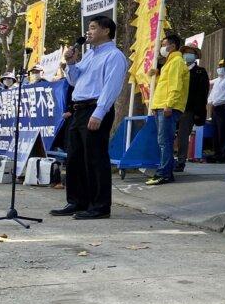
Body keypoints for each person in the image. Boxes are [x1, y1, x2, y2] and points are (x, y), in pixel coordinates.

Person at [50, 15, 128, 220]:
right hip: (79, 109)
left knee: (95, 158)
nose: (89, 32)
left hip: (95, 109)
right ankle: (77, 201)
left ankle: (100, 206)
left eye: (93, 28)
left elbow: (112, 87)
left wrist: (99, 112)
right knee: (75, 157)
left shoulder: (114, 56)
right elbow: (75, 81)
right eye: (89, 28)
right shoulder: (90, 55)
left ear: (106, 31)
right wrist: (71, 64)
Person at [146, 33, 190, 186]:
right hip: (161, 105)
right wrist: (157, 75)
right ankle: (166, 172)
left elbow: (175, 86)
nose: (162, 48)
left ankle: (164, 173)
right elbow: (165, 85)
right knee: (163, 141)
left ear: (172, 46)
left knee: (165, 142)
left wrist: (168, 104)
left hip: (167, 106)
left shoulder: (176, 62)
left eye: (164, 44)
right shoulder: (169, 63)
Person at [175, 45, 210, 172]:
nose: (187, 55)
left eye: (190, 53)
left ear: (195, 56)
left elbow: (203, 93)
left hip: (189, 109)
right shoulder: (179, 69)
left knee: (183, 136)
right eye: (185, 53)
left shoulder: (200, 71)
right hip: (175, 106)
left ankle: (180, 161)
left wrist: (198, 111)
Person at [206, 59, 225, 163]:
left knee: (223, 131)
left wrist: (214, 102)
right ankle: (217, 153)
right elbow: (212, 93)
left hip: (224, 107)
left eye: (222, 65)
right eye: (219, 66)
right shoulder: (218, 80)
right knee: (216, 132)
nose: (220, 68)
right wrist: (210, 101)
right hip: (216, 108)